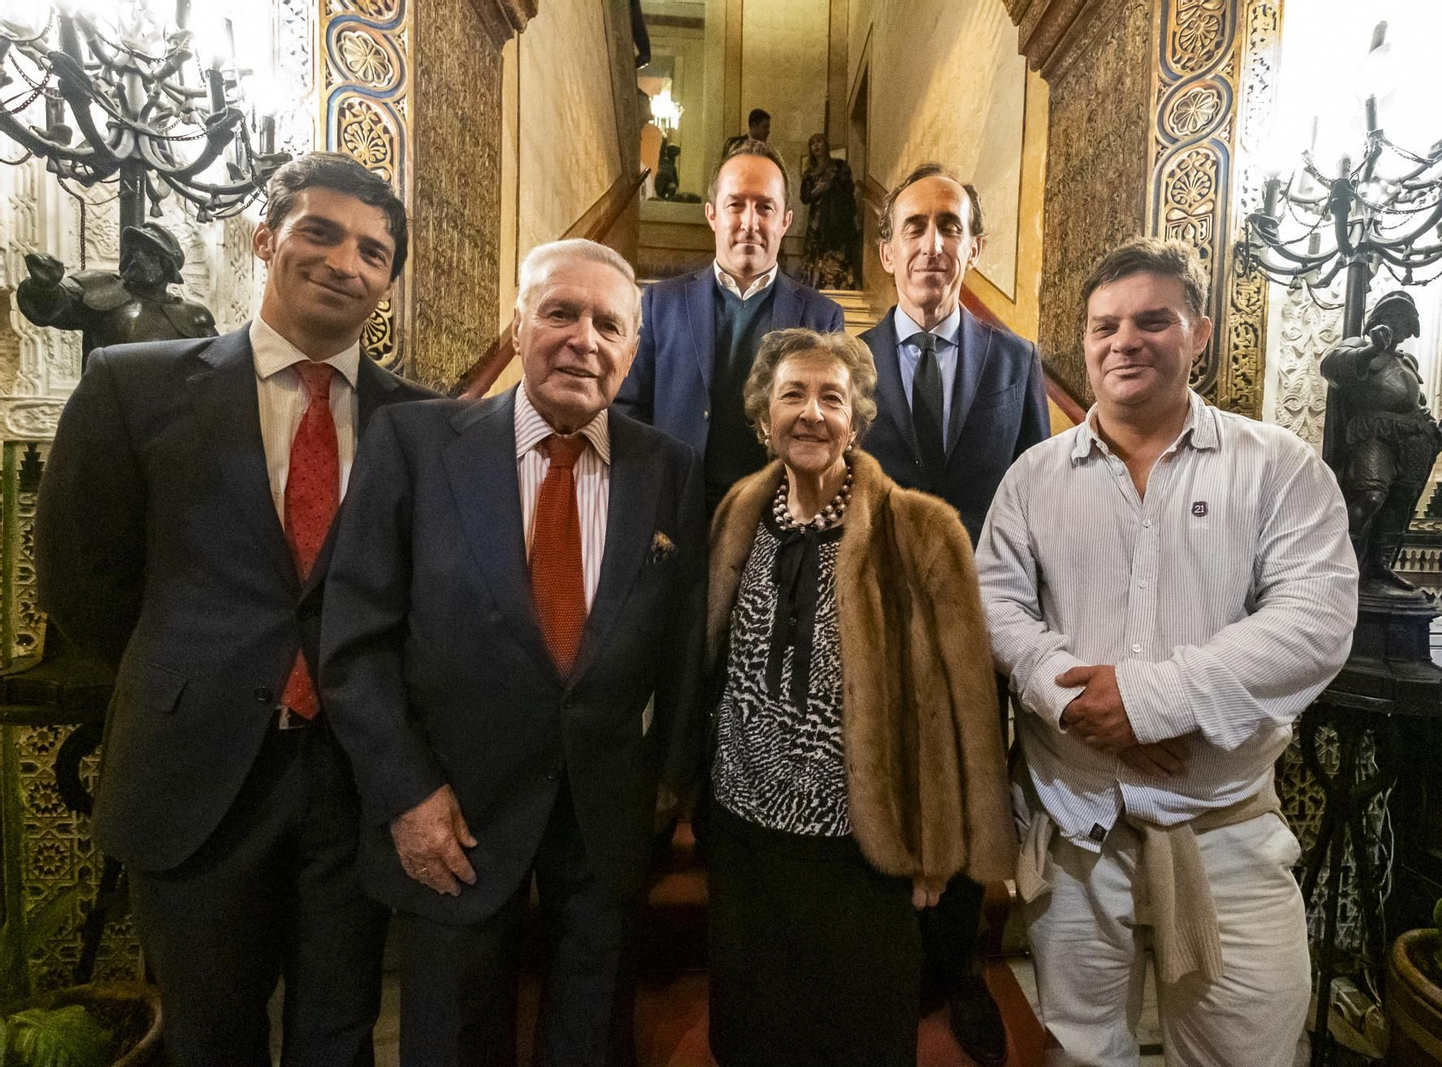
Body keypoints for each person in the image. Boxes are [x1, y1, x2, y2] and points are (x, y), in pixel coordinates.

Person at [35, 151, 434, 1067]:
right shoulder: (132, 387)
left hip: (353, 779)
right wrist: (188, 673)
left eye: (373, 251)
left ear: (386, 281)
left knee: (340, 1035)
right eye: (320, 232)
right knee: (209, 1037)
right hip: (195, 770)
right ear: (265, 240)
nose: (345, 262)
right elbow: (79, 576)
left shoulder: (423, 425)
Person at [318, 238, 706, 1067]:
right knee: (454, 1038)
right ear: (520, 321)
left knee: (592, 1038)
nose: (584, 340)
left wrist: (670, 780)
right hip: (454, 810)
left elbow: (683, 639)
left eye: (609, 324)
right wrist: (407, 793)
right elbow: (355, 642)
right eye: (561, 312)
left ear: (633, 348)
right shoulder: (415, 443)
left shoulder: (669, 469)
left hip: (606, 815)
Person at [975, 237, 1358, 1067]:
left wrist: (1152, 701)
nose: (1125, 341)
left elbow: (1314, 618)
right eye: (1105, 326)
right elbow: (995, 603)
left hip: (1225, 835)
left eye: (1153, 321)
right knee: (1082, 1053)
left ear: (1200, 333)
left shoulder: (1277, 467)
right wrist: (1073, 699)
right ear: (1085, 342)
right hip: (1078, 833)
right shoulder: (1034, 477)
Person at [702, 327, 1012, 1067]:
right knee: (753, 1034)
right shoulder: (738, 512)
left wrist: (940, 845)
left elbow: (964, 708)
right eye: (792, 395)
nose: (811, 413)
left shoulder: (921, 530)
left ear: (856, 421)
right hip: (744, 836)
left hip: (859, 845)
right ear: (764, 418)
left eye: (831, 398)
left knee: (856, 1038)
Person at [859, 161, 1050, 1066]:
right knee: (882, 781)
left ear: (974, 247)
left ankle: (961, 965)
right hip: (876, 622)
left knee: (974, 790)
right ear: (887, 249)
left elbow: (1037, 498)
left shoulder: (1016, 363)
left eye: (950, 227)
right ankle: (890, 964)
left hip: (979, 625)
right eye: (915, 226)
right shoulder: (845, 360)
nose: (932, 244)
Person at [616, 141, 843, 513]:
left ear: (785, 221)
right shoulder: (659, 304)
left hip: (777, 518)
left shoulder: (823, 317)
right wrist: (656, 488)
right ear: (712, 215)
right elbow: (627, 409)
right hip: (675, 510)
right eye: (735, 205)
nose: (749, 223)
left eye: (765, 207)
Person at [1319, 290, 1442, 594]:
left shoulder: (1408, 362)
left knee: (1399, 502)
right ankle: (1343, 565)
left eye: (1404, 322)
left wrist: (1433, 428)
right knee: (1371, 496)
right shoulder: (1358, 347)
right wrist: (1372, 349)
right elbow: (1333, 366)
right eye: (1393, 319)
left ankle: (1380, 566)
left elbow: (1417, 404)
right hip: (1374, 433)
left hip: (1412, 438)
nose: (1398, 326)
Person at [17, 221, 217, 368]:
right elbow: (54, 303)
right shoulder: (101, 287)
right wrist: (44, 287)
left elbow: (217, 364)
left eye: (148, 252)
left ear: (167, 265)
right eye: (134, 249)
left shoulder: (194, 315)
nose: (136, 256)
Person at [796, 132, 860, 290]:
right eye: (812, 143)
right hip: (817, 223)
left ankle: (840, 285)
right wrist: (818, 190)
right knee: (817, 253)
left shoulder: (839, 165)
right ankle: (816, 286)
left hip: (838, 220)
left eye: (819, 141)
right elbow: (804, 197)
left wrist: (833, 185)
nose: (816, 146)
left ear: (826, 144)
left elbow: (849, 188)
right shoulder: (809, 173)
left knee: (838, 253)